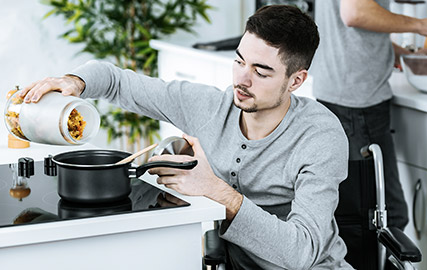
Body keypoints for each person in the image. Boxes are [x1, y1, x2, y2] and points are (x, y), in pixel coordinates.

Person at [21, 5, 353, 269]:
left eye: (261, 71)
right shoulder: (211, 106)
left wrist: (216, 191)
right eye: (239, 61)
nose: (242, 79)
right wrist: (74, 81)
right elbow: (115, 80)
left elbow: (302, 252)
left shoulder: (320, 135)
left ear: (296, 80)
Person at [312, 0, 427, 232]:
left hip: (342, 95)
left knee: (354, 212)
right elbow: (355, 13)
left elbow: (353, 33)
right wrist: (420, 25)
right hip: (358, 104)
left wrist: (405, 56)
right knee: (387, 216)